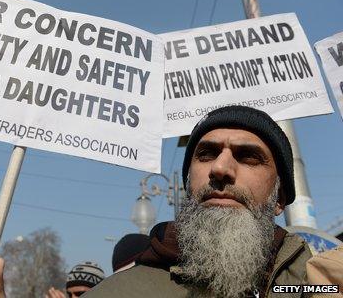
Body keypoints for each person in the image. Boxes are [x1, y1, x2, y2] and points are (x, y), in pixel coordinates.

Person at [84, 105, 312, 298]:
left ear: (279, 198)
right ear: (188, 183)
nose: (220, 168)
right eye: (207, 154)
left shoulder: (321, 285)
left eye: (248, 157)